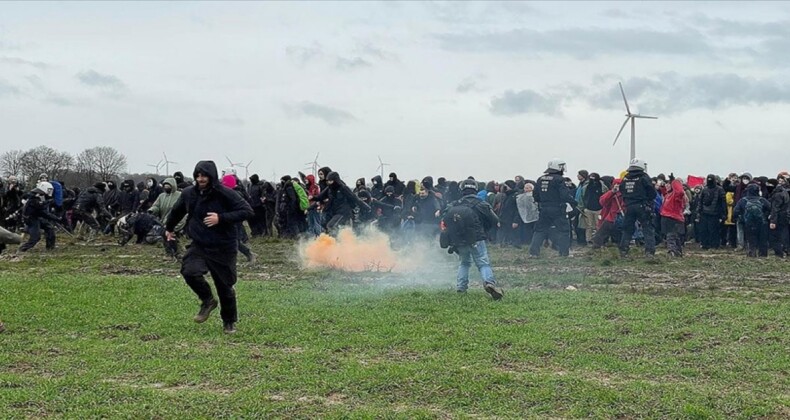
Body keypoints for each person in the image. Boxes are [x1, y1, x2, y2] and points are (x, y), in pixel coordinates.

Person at [165, 160, 254, 334]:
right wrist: (168, 229)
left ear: (211, 176)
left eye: (204, 175)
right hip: (200, 244)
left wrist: (221, 218)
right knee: (189, 271)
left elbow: (247, 211)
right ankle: (207, 300)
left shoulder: (226, 194)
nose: (201, 179)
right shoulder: (189, 194)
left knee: (225, 286)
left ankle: (229, 322)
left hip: (223, 246)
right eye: (197, 175)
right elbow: (177, 212)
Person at [441, 179, 503, 299]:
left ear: (462, 189)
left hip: (459, 240)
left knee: (464, 263)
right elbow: (495, 220)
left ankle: (461, 288)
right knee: (483, 263)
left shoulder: (455, 204)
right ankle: (489, 283)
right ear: (475, 189)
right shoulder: (481, 204)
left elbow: (445, 219)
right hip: (477, 238)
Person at [529, 159, 574, 257]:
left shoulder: (540, 179)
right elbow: (564, 195)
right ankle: (564, 253)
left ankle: (534, 253)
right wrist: (574, 202)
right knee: (563, 231)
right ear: (558, 167)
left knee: (539, 230)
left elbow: (535, 195)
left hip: (544, 208)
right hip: (558, 208)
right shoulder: (559, 179)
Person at [619, 158, 657, 258]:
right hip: (642, 205)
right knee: (647, 228)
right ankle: (649, 252)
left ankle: (623, 250)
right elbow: (652, 192)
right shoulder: (644, 177)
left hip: (629, 206)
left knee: (627, 229)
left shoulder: (626, 178)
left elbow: (621, 190)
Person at [149, 177, 185, 259]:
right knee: (165, 237)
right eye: (165, 186)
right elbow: (156, 206)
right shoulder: (161, 196)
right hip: (164, 221)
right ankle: (169, 253)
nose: (166, 187)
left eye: (168, 185)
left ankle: (178, 253)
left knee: (174, 237)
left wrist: (179, 225)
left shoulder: (179, 195)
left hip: (176, 221)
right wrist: (152, 210)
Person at [19, 182, 60, 252]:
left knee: (49, 228)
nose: (50, 192)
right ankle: (22, 249)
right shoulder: (34, 198)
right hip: (31, 219)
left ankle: (50, 247)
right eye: (48, 190)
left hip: (36, 217)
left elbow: (41, 210)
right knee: (36, 237)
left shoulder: (38, 196)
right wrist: (56, 218)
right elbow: (43, 212)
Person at [733, 183, 770, 257]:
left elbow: (736, 211)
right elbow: (770, 208)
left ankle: (751, 254)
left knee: (751, 239)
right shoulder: (762, 200)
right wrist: (765, 216)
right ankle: (763, 255)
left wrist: (741, 218)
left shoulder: (743, 200)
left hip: (748, 223)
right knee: (762, 240)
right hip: (762, 223)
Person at [695, 174, 726, 250]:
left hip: (715, 214)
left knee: (714, 231)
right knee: (704, 230)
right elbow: (700, 201)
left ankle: (714, 245)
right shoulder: (704, 189)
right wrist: (699, 212)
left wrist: (723, 214)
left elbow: (723, 203)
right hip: (704, 213)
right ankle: (705, 244)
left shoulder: (720, 190)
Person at [659, 175, 687, 257]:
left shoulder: (676, 195)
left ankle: (672, 251)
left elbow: (680, 191)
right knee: (674, 236)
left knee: (671, 235)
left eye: (669, 184)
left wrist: (675, 181)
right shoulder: (668, 195)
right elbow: (663, 191)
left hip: (673, 218)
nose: (667, 186)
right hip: (668, 217)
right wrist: (662, 185)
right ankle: (677, 251)